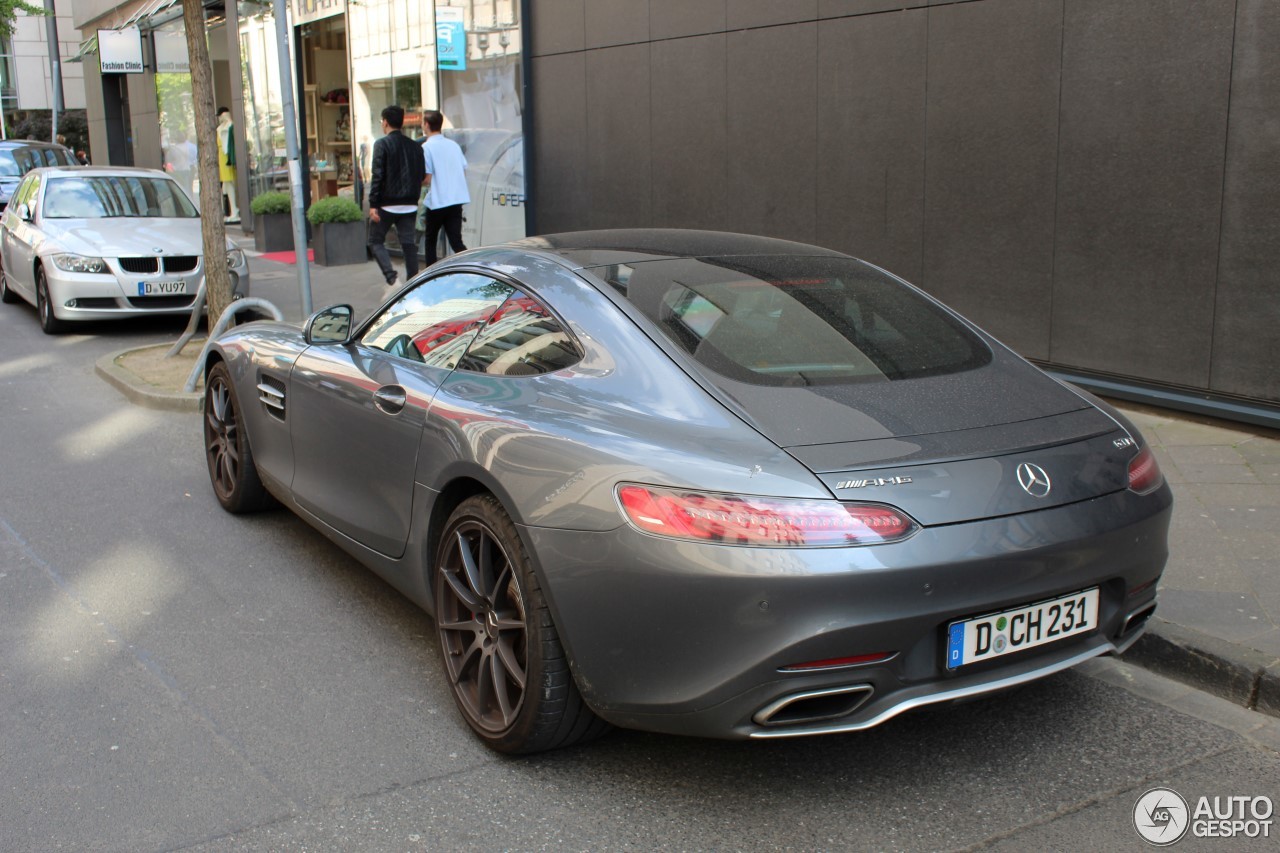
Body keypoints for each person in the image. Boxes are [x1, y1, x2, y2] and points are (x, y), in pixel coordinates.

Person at [368, 105, 427, 286]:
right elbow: (422, 175)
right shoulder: (415, 146)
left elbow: (377, 175)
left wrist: (373, 204)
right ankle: (413, 284)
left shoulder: (381, 144)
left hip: (387, 204)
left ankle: (392, 279)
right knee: (408, 244)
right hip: (409, 204)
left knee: (375, 241)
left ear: (385, 122)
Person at [419, 110, 469, 266]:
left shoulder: (426, 147)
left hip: (438, 200)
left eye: (422, 121)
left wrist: (417, 183)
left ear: (426, 124)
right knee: (456, 241)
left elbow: (427, 178)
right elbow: (463, 170)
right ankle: (471, 267)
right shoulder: (453, 145)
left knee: (431, 240)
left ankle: (431, 275)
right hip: (456, 199)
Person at [216, 107, 240, 222]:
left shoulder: (230, 126)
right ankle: (232, 210)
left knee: (230, 183)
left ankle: (234, 210)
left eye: (221, 115)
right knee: (226, 185)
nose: (219, 118)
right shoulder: (220, 128)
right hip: (222, 157)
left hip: (227, 157)